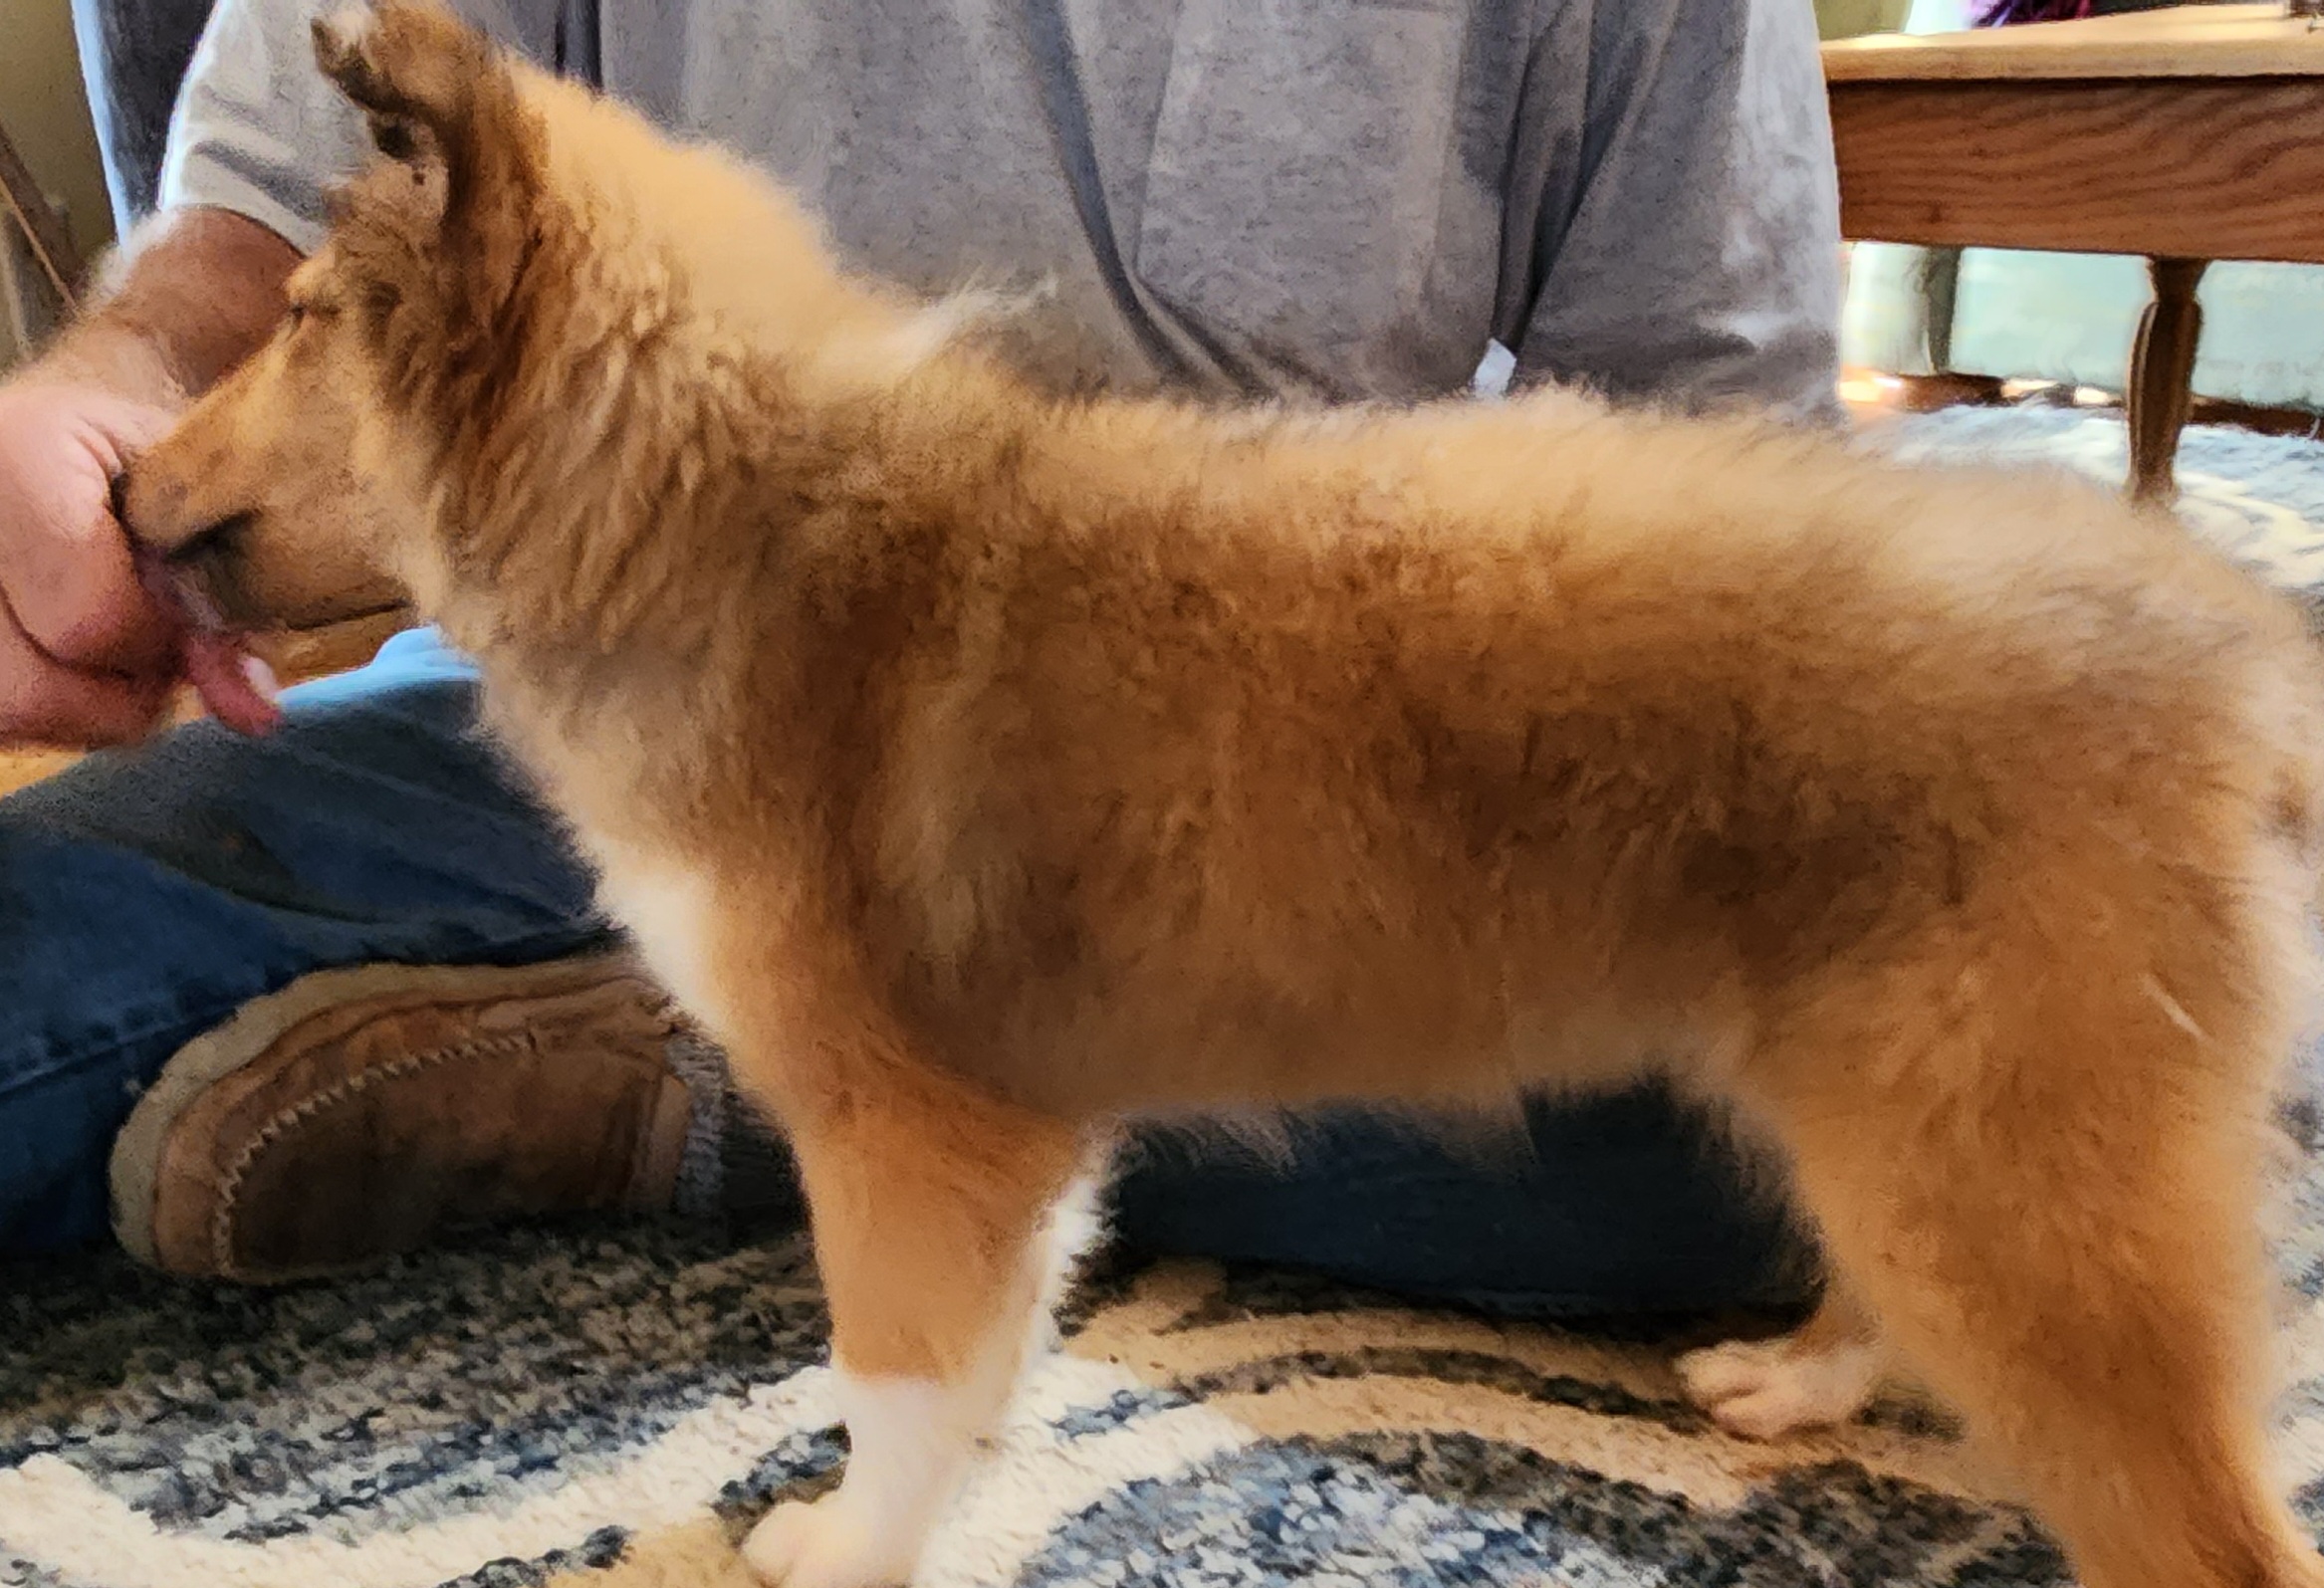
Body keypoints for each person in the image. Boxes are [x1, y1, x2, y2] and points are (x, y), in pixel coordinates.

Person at [0, 0, 1839, 1311]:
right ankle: (809, 1060)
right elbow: (281, 201)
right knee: (55, 926)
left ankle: (715, 1087)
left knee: (1797, 1075)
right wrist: (119, 380)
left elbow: (1713, 469)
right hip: (597, 701)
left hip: (1266, 777)